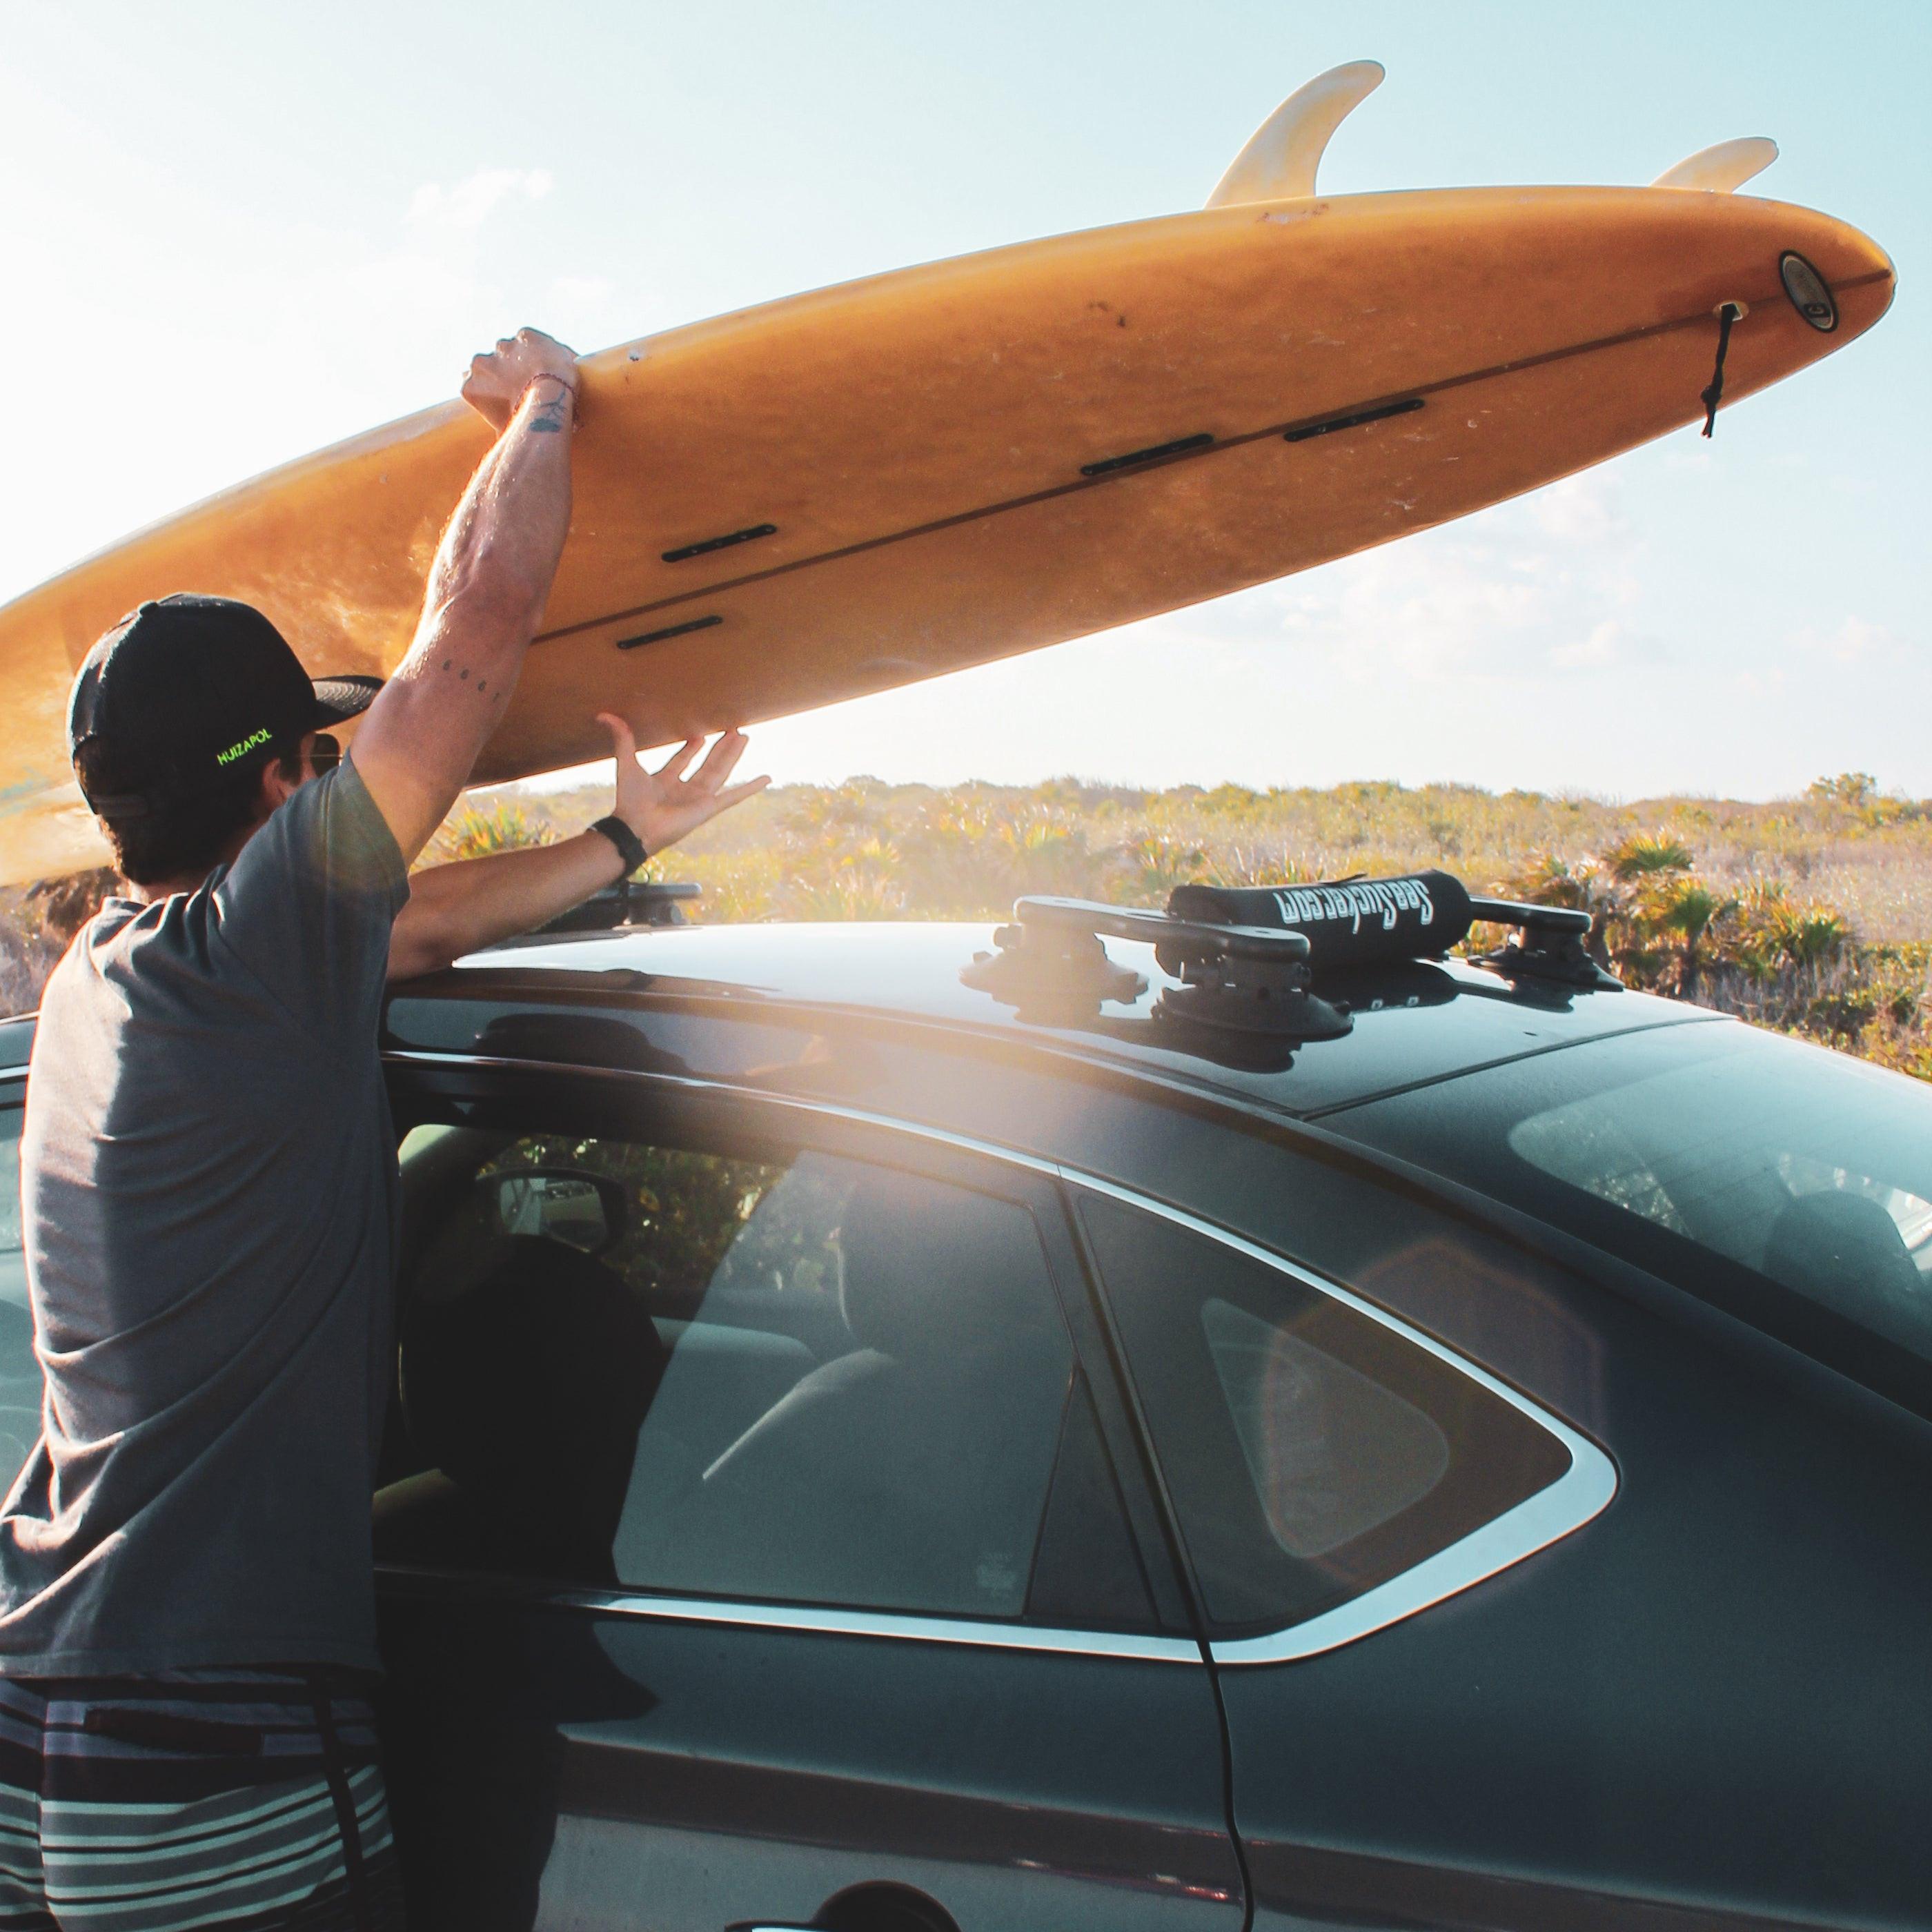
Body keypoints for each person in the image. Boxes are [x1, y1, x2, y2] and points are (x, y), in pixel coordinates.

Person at [0, 328, 767, 1931]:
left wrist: (620, 835)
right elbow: (470, 636)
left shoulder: (113, 973)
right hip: (212, 1720)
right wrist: (546, 406)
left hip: (58, 1689)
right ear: (290, 783)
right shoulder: (264, 950)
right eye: (326, 762)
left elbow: (406, 929)